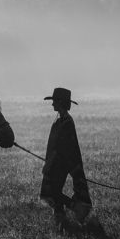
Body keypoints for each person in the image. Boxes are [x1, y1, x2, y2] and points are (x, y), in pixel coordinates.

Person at [39, 87, 92, 223]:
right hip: (58, 163)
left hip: (61, 164)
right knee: (54, 191)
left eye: (54, 101)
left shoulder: (66, 122)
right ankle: (60, 218)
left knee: (54, 192)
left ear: (60, 102)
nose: (52, 104)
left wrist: (50, 162)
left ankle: (76, 208)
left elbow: (62, 148)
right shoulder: (61, 121)